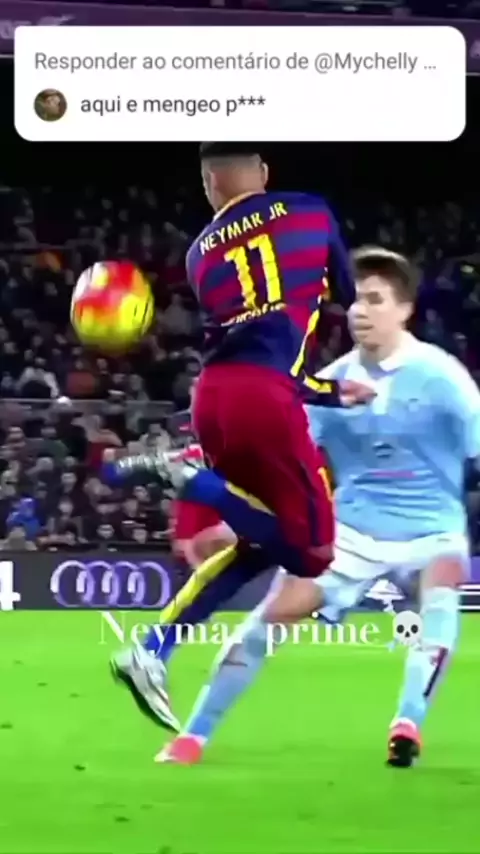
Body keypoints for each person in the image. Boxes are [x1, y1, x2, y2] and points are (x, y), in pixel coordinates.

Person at [158, 246, 479, 767]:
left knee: (441, 595)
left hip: (432, 532)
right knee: (271, 616)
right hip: (351, 531)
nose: (360, 311)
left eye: (375, 300)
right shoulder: (329, 383)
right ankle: (193, 736)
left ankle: (407, 723)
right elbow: (282, 462)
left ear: (405, 309)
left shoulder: (444, 378)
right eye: (354, 300)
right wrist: (232, 521)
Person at [109, 142, 373, 730]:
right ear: (263, 172)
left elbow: (255, 347)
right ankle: (189, 477)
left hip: (213, 399)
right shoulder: (309, 211)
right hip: (266, 401)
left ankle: (151, 651)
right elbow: (347, 299)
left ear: (210, 186)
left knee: (259, 542)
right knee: (312, 551)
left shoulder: (200, 254)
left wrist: (330, 394)